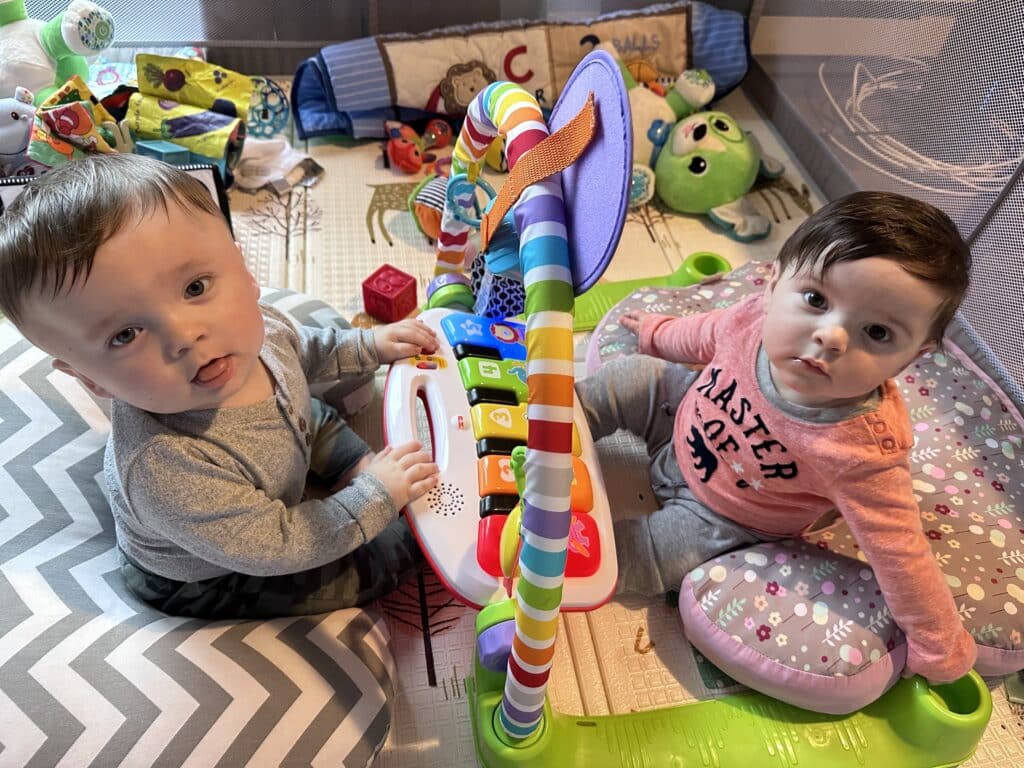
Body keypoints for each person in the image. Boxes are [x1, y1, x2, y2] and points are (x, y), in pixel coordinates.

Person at [0, 153, 440, 619]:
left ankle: (353, 469)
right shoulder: (165, 466)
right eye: (125, 335)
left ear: (244, 270)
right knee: (386, 556)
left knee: (314, 413)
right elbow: (278, 545)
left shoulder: (256, 326)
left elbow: (301, 350)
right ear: (89, 378)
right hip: (217, 569)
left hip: (284, 438)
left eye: (194, 288)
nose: (186, 336)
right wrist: (372, 500)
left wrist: (369, 344)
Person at [577, 191, 977, 683]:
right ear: (772, 285)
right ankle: (550, 421)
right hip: (681, 419)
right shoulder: (751, 319)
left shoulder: (862, 454)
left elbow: (902, 556)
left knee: (646, 557)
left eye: (876, 333)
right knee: (635, 376)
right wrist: (657, 333)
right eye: (815, 300)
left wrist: (938, 648)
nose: (831, 336)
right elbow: (704, 334)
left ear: (913, 357)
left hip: (720, 519)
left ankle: (558, 548)